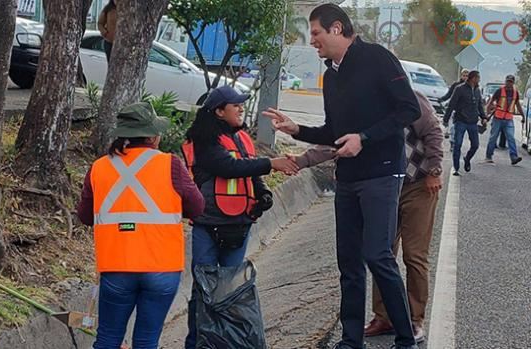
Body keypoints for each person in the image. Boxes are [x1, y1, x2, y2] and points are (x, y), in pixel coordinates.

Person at [263, 4, 421, 349]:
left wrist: (364, 138)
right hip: (347, 178)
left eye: (316, 33)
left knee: (377, 255)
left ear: (337, 28)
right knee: (348, 262)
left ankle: (406, 337)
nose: (313, 41)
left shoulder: (377, 58)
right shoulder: (330, 75)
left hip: (382, 172)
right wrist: (298, 128)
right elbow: (334, 131)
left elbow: (408, 108)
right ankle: (351, 340)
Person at [76, 102, 205, 349]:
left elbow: (85, 215)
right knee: (146, 341)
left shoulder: (99, 167)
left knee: (108, 339)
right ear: (152, 136)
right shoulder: (171, 164)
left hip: (116, 265)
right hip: (162, 267)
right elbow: (197, 207)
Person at [181, 85, 299, 349]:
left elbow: (249, 170)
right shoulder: (204, 140)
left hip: (239, 225)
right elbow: (227, 166)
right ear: (220, 111)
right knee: (204, 288)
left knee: (234, 290)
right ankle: (197, 342)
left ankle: (228, 342)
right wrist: (272, 163)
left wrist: (263, 193)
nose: (242, 109)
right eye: (237, 106)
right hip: (208, 225)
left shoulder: (242, 138)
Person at [364, 91, 444, 344]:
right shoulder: (365, 101)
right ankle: (384, 316)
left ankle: (414, 319)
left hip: (418, 185)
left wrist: (434, 170)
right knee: (381, 253)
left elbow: (433, 132)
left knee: (414, 255)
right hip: (385, 186)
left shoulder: (409, 99)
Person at [443, 70, 488, 176]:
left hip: (473, 122)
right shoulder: (459, 89)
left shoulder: (477, 90)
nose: (479, 80)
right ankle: (456, 167)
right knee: (457, 144)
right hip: (460, 121)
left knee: (475, 145)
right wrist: (446, 119)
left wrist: (483, 117)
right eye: (478, 78)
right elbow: (452, 104)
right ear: (473, 78)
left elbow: (480, 105)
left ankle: (467, 159)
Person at [485, 74, 524, 165]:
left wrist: (523, 115)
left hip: (508, 118)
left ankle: (514, 157)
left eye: (510, 82)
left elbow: (517, 104)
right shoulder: (499, 91)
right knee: (493, 137)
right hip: (498, 118)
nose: (509, 83)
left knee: (511, 137)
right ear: (505, 81)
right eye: (507, 81)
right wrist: (487, 114)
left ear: (513, 83)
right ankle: (489, 156)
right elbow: (490, 102)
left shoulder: (515, 93)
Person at [439, 69, 469, 152]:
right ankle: (452, 143)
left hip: (465, 112)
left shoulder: (471, 87)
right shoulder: (456, 85)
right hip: (454, 109)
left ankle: (457, 143)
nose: (465, 77)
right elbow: (449, 95)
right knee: (453, 127)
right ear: (461, 75)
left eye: (467, 76)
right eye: (464, 75)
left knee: (460, 129)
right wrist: (441, 99)